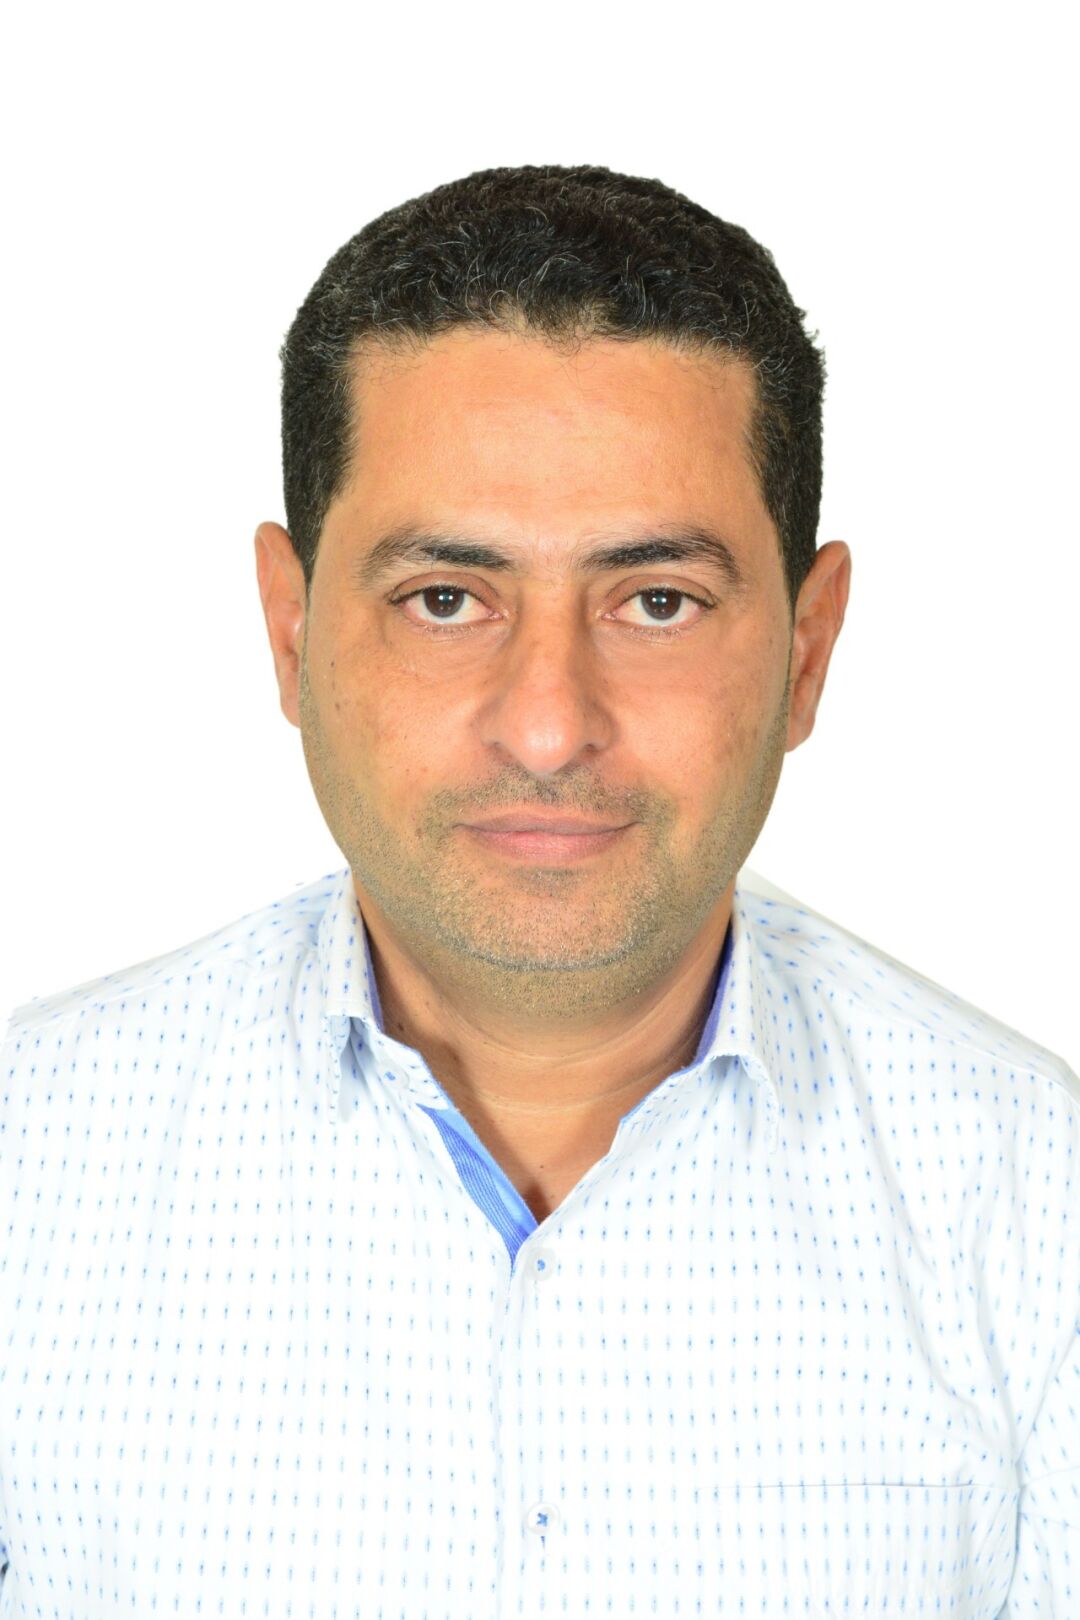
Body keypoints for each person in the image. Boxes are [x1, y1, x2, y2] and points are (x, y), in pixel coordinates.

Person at [1, 163, 1075, 1618]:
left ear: (807, 650)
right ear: (292, 631)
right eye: (447, 599)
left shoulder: (1041, 1205)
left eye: (656, 602)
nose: (552, 725)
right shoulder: (24, 1169)